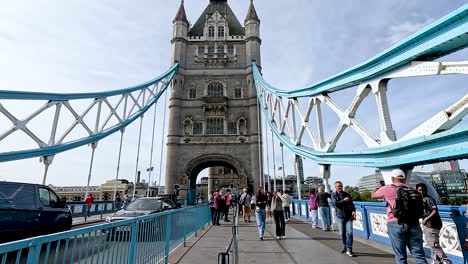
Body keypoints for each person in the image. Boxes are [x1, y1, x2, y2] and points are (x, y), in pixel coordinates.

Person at [371, 169, 427, 264]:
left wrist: (380, 186)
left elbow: (373, 195)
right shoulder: (412, 189)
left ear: (392, 179)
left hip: (395, 223)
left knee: (400, 256)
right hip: (414, 223)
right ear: (404, 179)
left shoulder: (387, 188)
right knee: (419, 256)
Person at [417, 183, 452, 264]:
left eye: (423, 190)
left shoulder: (428, 199)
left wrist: (426, 219)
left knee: (432, 243)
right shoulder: (421, 200)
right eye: (419, 191)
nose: (421, 192)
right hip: (431, 224)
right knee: (434, 242)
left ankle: (445, 259)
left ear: (426, 190)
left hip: (432, 224)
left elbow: (434, 210)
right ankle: (437, 261)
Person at [332, 181, 356, 257]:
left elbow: (352, 204)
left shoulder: (347, 194)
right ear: (335, 187)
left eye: (341, 186)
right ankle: (345, 246)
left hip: (349, 216)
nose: (340, 187)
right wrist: (344, 200)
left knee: (350, 233)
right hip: (340, 217)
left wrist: (353, 211)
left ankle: (349, 249)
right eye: (338, 186)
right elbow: (335, 203)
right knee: (342, 234)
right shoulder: (333, 194)